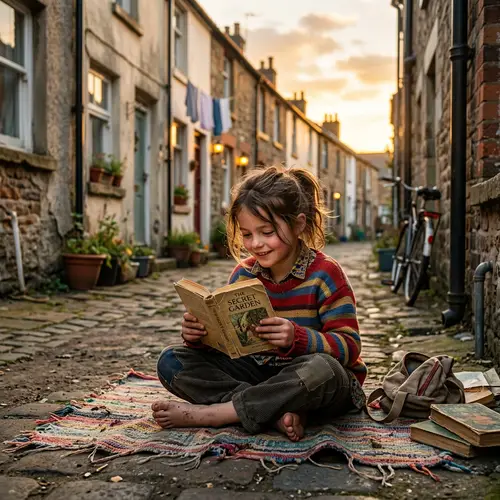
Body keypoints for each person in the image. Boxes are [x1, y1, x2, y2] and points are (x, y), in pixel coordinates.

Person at [152, 166, 366, 441]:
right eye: (247, 234)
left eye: (267, 232)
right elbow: (231, 345)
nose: (257, 244)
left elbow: (349, 347)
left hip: (311, 382)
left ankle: (219, 413)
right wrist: (199, 336)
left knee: (323, 370)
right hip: (262, 376)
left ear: (298, 224)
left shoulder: (325, 273)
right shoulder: (243, 274)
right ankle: (273, 413)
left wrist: (296, 338)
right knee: (172, 361)